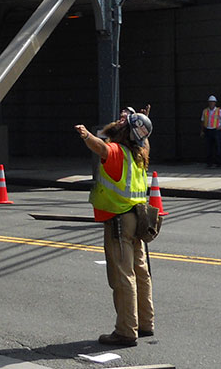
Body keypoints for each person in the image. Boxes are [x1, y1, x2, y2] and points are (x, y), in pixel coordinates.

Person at [75, 108, 155, 348]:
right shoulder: (141, 152)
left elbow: (101, 147)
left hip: (119, 220)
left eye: (123, 121)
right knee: (141, 272)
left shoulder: (117, 152)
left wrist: (87, 135)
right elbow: (141, 136)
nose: (118, 122)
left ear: (126, 131)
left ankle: (125, 331)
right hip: (139, 219)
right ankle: (145, 323)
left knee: (123, 276)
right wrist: (139, 120)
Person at [199, 95, 221, 166]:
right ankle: (209, 162)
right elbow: (202, 121)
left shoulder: (218, 111)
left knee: (218, 147)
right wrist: (202, 131)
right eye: (210, 102)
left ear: (215, 103)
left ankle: (219, 162)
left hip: (215, 130)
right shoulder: (205, 111)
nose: (211, 104)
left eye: (213, 102)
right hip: (208, 130)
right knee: (208, 147)